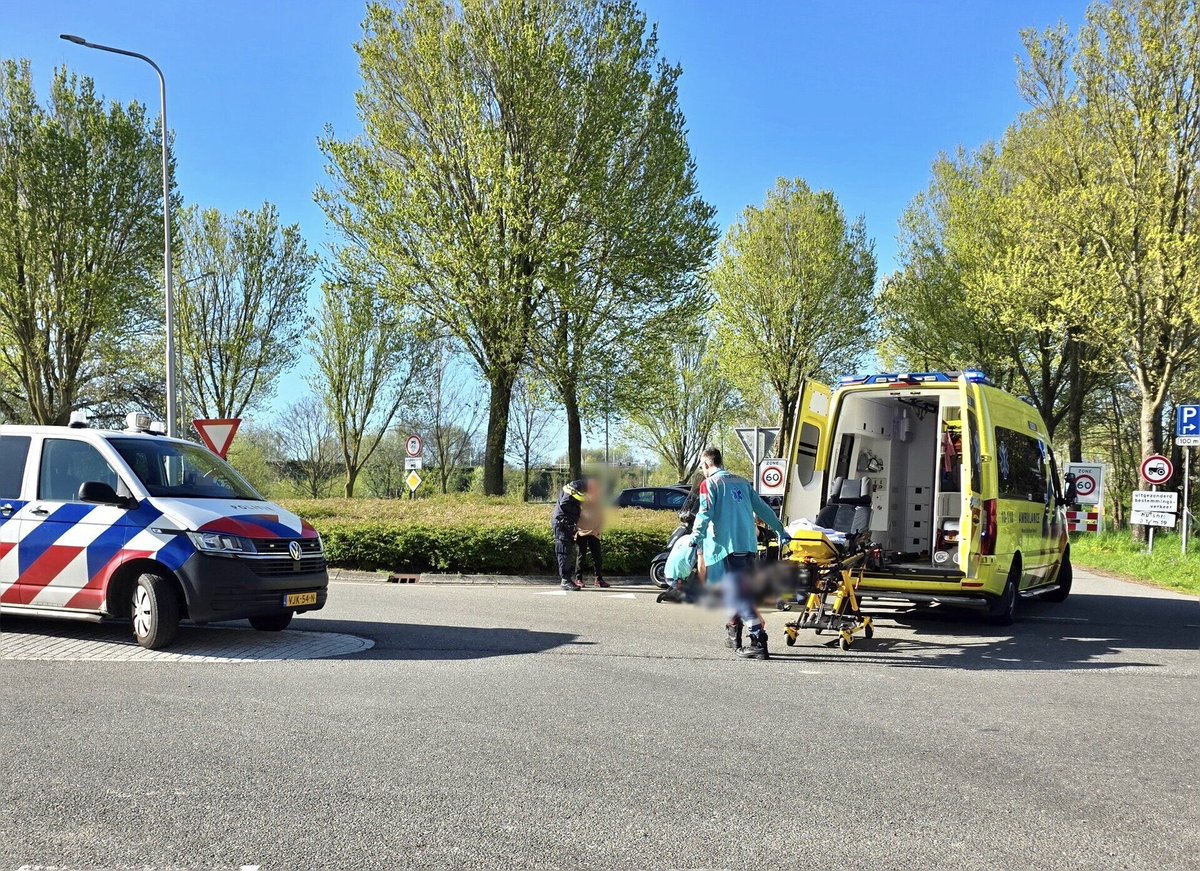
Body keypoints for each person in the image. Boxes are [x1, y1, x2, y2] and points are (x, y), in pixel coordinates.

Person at [689, 446, 789, 660]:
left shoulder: (709, 484)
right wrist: (780, 529)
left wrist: (694, 538)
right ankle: (733, 634)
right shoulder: (742, 482)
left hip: (726, 545)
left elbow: (704, 513)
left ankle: (758, 640)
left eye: (702, 466)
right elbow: (762, 508)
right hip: (748, 544)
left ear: (706, 464)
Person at [550, 478, 588, 591]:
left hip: (566, 524)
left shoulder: (577, 487)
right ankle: (565, 580)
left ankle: (567, 579)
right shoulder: (575, 489)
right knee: (563, 551)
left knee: (567, 552)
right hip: (563, 524)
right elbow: (566, 504)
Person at [574, 479, 609, 588]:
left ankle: (599, 579)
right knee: (581, 556)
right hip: (582, 532)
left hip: (594, 533)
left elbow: (602, 517)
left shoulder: (599, 502)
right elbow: (576, 516)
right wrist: (577, 531)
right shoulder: (581, 500)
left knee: (597, 557)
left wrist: (598, 530)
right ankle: (578, 579)